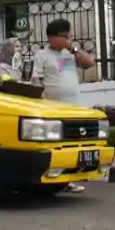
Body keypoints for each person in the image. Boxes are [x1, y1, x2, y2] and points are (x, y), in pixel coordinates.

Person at [31, 19, 94, 193]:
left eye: (68, 36)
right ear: (52, 37)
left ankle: (68, 179)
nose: (67, 39)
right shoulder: (42, 55)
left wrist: (74, 50)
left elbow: (89, 63)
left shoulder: (70, 54)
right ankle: (54, 180)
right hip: (53, 108)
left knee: (72, 144)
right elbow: (36, 79)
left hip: (72, 106)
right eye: (63, 36)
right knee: (57, 145)